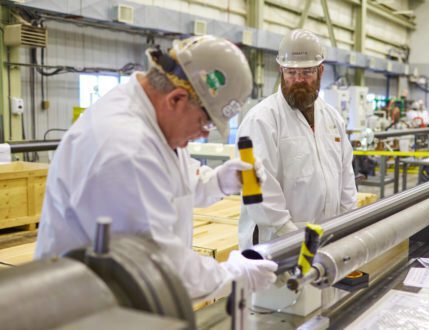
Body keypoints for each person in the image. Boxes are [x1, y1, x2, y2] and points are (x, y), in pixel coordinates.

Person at [35, 35, 277, 300]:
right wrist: (234, 275)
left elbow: (172, 181)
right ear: (176, 99)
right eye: (205, 122)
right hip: (84, 307)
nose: (204, 135)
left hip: (122, 297)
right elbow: (159, 266)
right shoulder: (124, 150)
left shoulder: (152, 118)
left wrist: (217, 181)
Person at [236, 29, 357, 249]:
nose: (299, 80)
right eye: (291, 73)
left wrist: (347, 226)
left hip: (327, 239)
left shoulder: (332, 118)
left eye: (307, 72)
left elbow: (346, 177)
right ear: (280, 70)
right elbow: (259, 188)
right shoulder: (262, 120)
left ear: (321, 71)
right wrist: (291, 237)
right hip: (276, 243)